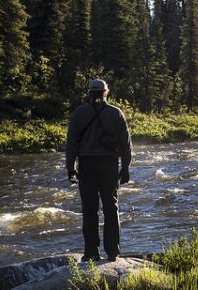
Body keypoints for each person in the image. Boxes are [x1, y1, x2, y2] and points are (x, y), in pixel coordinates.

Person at [65, 79, 132, 262]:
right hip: (109, 165)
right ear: (106, 93)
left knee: (89, 210)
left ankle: (91, 252)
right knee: (111, 207)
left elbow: (71, 144)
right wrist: (125, 167)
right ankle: (112, 251)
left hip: (86, 165)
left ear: (89, 93)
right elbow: (126, 144)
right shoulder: (116, 113)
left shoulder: (79, 114)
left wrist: (71, 168)